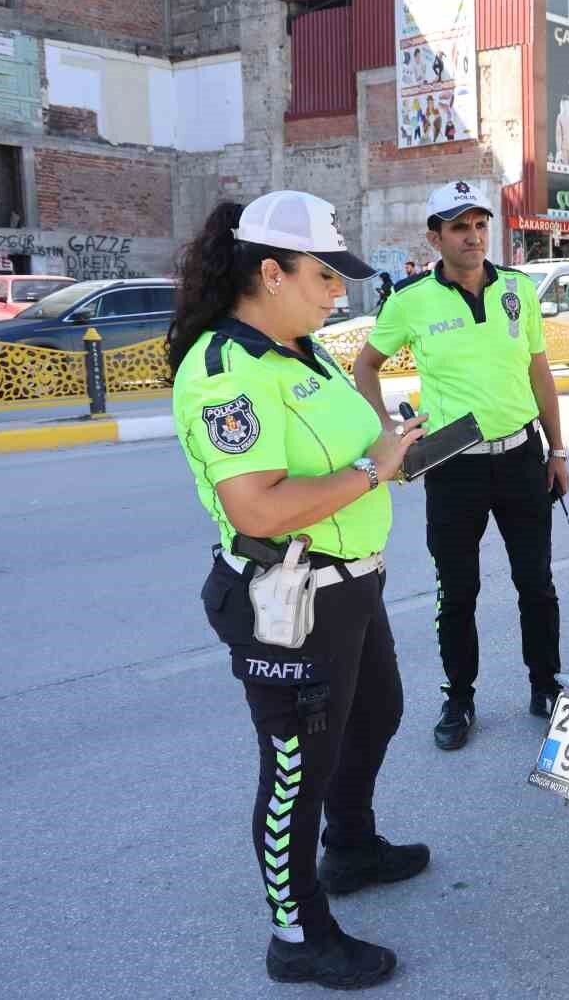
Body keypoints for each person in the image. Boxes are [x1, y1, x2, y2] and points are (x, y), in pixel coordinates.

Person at [168, 191, 432, 989]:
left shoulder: (303, 351)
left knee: (377, 714)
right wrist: (371, 467)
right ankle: (298, 933)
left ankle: (349, 843)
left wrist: (394, 448)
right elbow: (258, 505)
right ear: (271, 272)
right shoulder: (226, 369)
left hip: (353, 586)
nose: (338, 292)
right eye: (326, 275)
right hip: (289, 599)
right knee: (294, 767)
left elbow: (356, 453)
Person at [352, 181, 569, 749]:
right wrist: (386, 436)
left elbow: (538, 372)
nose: (473, 237)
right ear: (435, 237)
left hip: (522, 457)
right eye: (459, 227)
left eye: (479, 224)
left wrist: (558, 448)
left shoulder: (518, 288)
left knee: (536, 583)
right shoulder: (409, 301)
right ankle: (459, 698)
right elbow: (366, 366)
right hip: (453, 466)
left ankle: (545, 685)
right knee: (458, 591)